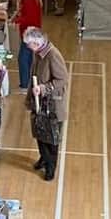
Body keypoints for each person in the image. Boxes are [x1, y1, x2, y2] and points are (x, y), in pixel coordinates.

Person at [23, 27, 68, 181]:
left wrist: (43, 88)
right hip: (39, 102)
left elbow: (62, 80)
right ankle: (44, 158)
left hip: (52, 104)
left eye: (29, 44)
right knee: (39, 132)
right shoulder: (37, 53)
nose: (28, 48)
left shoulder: (53, 55)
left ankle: (50, 167)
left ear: (36, 43)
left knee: (52, 138)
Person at [10, 0, 43, 92]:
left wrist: (17, 20)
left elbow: (29, 18)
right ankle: (27, 82)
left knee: (22, 58)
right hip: (32, 32)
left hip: (29, 33)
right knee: (27, 58)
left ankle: (24, 85)